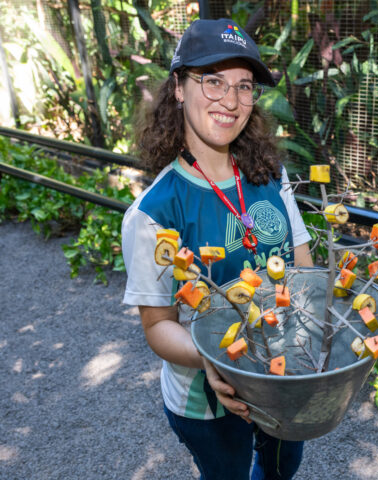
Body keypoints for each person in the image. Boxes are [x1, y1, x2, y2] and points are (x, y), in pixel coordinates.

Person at [121, 18, 313, 479]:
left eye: (244, 86)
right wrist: (212, 358)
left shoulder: (271, 174)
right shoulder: (154, 213)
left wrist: (316, 348)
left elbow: (302, 267)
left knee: (282, 468)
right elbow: (159, 327)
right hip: (207, 399)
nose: (230, 101)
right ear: (179, 87)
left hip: (283, 373)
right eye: (213, 81)